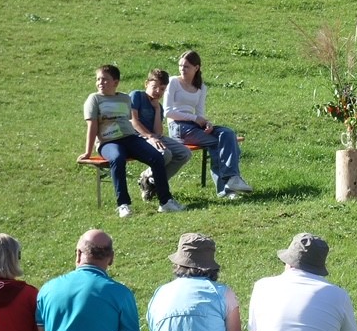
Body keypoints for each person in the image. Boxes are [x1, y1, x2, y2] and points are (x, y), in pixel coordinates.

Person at [80, 64, 184, 218]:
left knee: (157, 157)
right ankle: (123, 204)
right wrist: (88, 152)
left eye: (105, 79)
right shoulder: (94, 99)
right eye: (98, 79)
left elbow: (128, 122)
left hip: (130, 138)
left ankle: (165, 202)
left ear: (115, 82)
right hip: (108, 142)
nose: (100, 82)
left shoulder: (124, 98)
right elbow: (92, 126)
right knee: (117, 158)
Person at [164, 49, 251, 198]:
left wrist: (206, 123)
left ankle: (230, 183)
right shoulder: (173, 82)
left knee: (228, 133)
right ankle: (229, 184)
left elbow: (200, 113)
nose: (182, 69)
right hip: (178, 127)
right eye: (180, 66)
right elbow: (167, 112)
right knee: (222, 143)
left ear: (196, 68)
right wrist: (194, 118)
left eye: (186, 66)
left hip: (194, 125)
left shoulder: (201, 87)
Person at [129, 68, 193, 202]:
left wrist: (157, 109)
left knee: (185, 153)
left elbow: (158, 132)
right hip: (137, 137)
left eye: (162, 89)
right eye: (154, 87)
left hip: (154, 137)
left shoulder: (158, 106)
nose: (158, 91)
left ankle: (150, 180)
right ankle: (152, 182)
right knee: (165, 154)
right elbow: (133, 121)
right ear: (146, 84)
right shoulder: (137, 96)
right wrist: (150, 137)